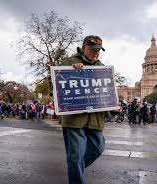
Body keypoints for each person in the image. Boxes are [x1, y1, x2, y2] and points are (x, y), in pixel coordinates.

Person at [60, 35, 107, 184]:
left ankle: (75, 167)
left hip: (95, 118)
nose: (96, 53)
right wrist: (71, 71)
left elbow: (106, 93)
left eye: (99, 50)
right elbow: (56, 84)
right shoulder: (69, 62)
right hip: (74, 119)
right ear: (84, 46)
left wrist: (114, 107)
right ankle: (75, 173)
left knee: (98, 148)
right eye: (93, 49)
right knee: (75, 155)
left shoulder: (102, 67)